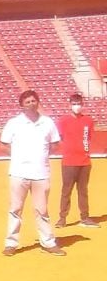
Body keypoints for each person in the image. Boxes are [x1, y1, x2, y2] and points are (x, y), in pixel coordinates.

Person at [0, 90, 66, 256]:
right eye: (27, 101)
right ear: (22, 105)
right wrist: (19, 158)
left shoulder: (48, 122)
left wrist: (41, 157)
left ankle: (48, 242)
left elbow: (55, 144)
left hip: (41, 173)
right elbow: (3, 146)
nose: (31, 103)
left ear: (38, 102)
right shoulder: (14, 123)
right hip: (18, 172)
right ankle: (11, 243)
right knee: (15, 209)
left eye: (33, 101)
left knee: (42, 210)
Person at [56, 93, 97, 229]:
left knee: (83, 190)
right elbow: (60, 137)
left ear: (82, 104)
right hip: (69, 161)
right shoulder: (63, 121)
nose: (77, 106)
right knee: (66, 190)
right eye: (74, 103)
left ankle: (85, 217)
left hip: (85, 161)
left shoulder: (88, 121)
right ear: (70, 105)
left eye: (79, 103)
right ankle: (62, 218)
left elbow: (89, 138)